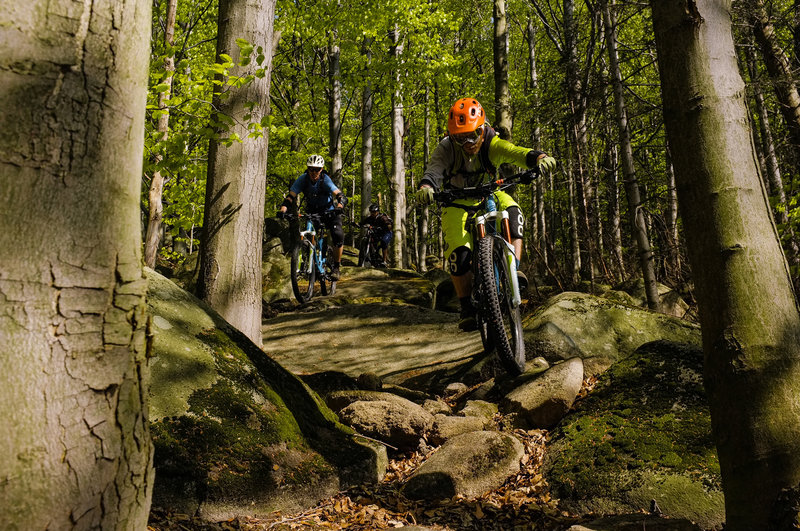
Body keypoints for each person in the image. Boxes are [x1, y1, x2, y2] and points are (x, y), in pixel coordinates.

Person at [415, 98, 556, 332]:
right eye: (460, 137)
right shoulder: (446, 147)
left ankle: (514, 267)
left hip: (491, 194)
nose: (467, 142)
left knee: (513, 214)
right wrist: (426, 188)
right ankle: (466, 307)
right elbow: (434, 171)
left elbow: (514, 152)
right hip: (456, 202)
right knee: (458, 254)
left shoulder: (491, 141)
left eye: (472, 135)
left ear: (482, 128)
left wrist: (539, 157)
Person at [278, 154, 346, 280]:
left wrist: (340, 206)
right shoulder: (303, 179)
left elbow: (338, 194)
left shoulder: (325, 179)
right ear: (308, 169)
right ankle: (311, 262)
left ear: (321, 169)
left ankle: (336, 267)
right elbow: (290, 196)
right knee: (309, 233)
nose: (314, 172)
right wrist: (283, 209)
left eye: (317, 169)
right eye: (311, 169)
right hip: (312, 211)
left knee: (337, 234)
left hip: (329, 211)